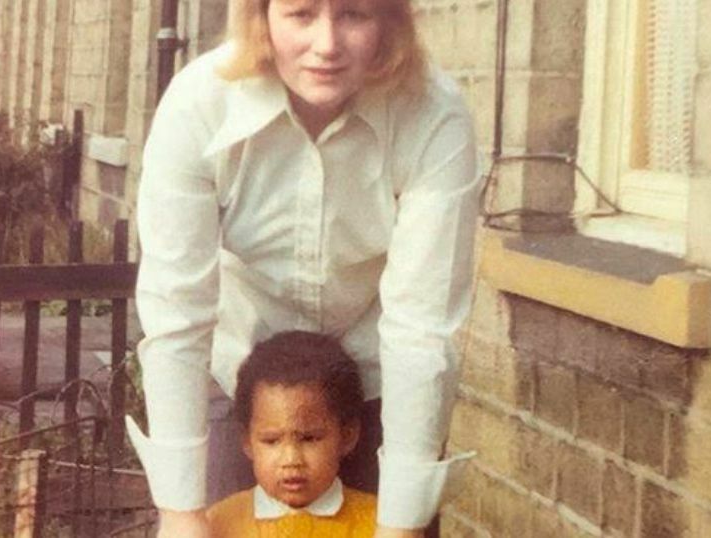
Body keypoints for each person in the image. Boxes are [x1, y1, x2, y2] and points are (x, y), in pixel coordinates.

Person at [126, 0, 481, 535]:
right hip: (238, 372)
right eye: (301, 13)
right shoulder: (199, 104)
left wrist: (401, 525)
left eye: (354, 14)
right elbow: (177, 312)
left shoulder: (434, 113)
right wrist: (180, 514)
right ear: (260, 16)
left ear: (388, 19)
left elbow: (422, 328)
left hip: (373, 381)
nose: (327, 44)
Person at [207, 330, 375, 537]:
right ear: (247, 441)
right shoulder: (219, 523)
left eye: (309, 438)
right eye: (271, 441)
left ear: (348, 436)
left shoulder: (378, 523)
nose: (291, 459)